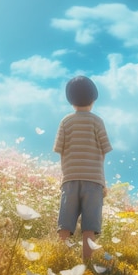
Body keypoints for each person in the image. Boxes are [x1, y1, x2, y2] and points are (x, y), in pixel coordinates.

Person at [53, 76, 112, 261]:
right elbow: (103, 152)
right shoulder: (97, 122)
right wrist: (102, 181)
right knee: (90, 226)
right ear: (93, 98)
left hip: (70, 179)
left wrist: (66, 175)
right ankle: (86, 263)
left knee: (65, 223)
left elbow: (60, 151)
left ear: (70, 99)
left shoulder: (65, 122)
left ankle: (60, 258)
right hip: (93, 181)